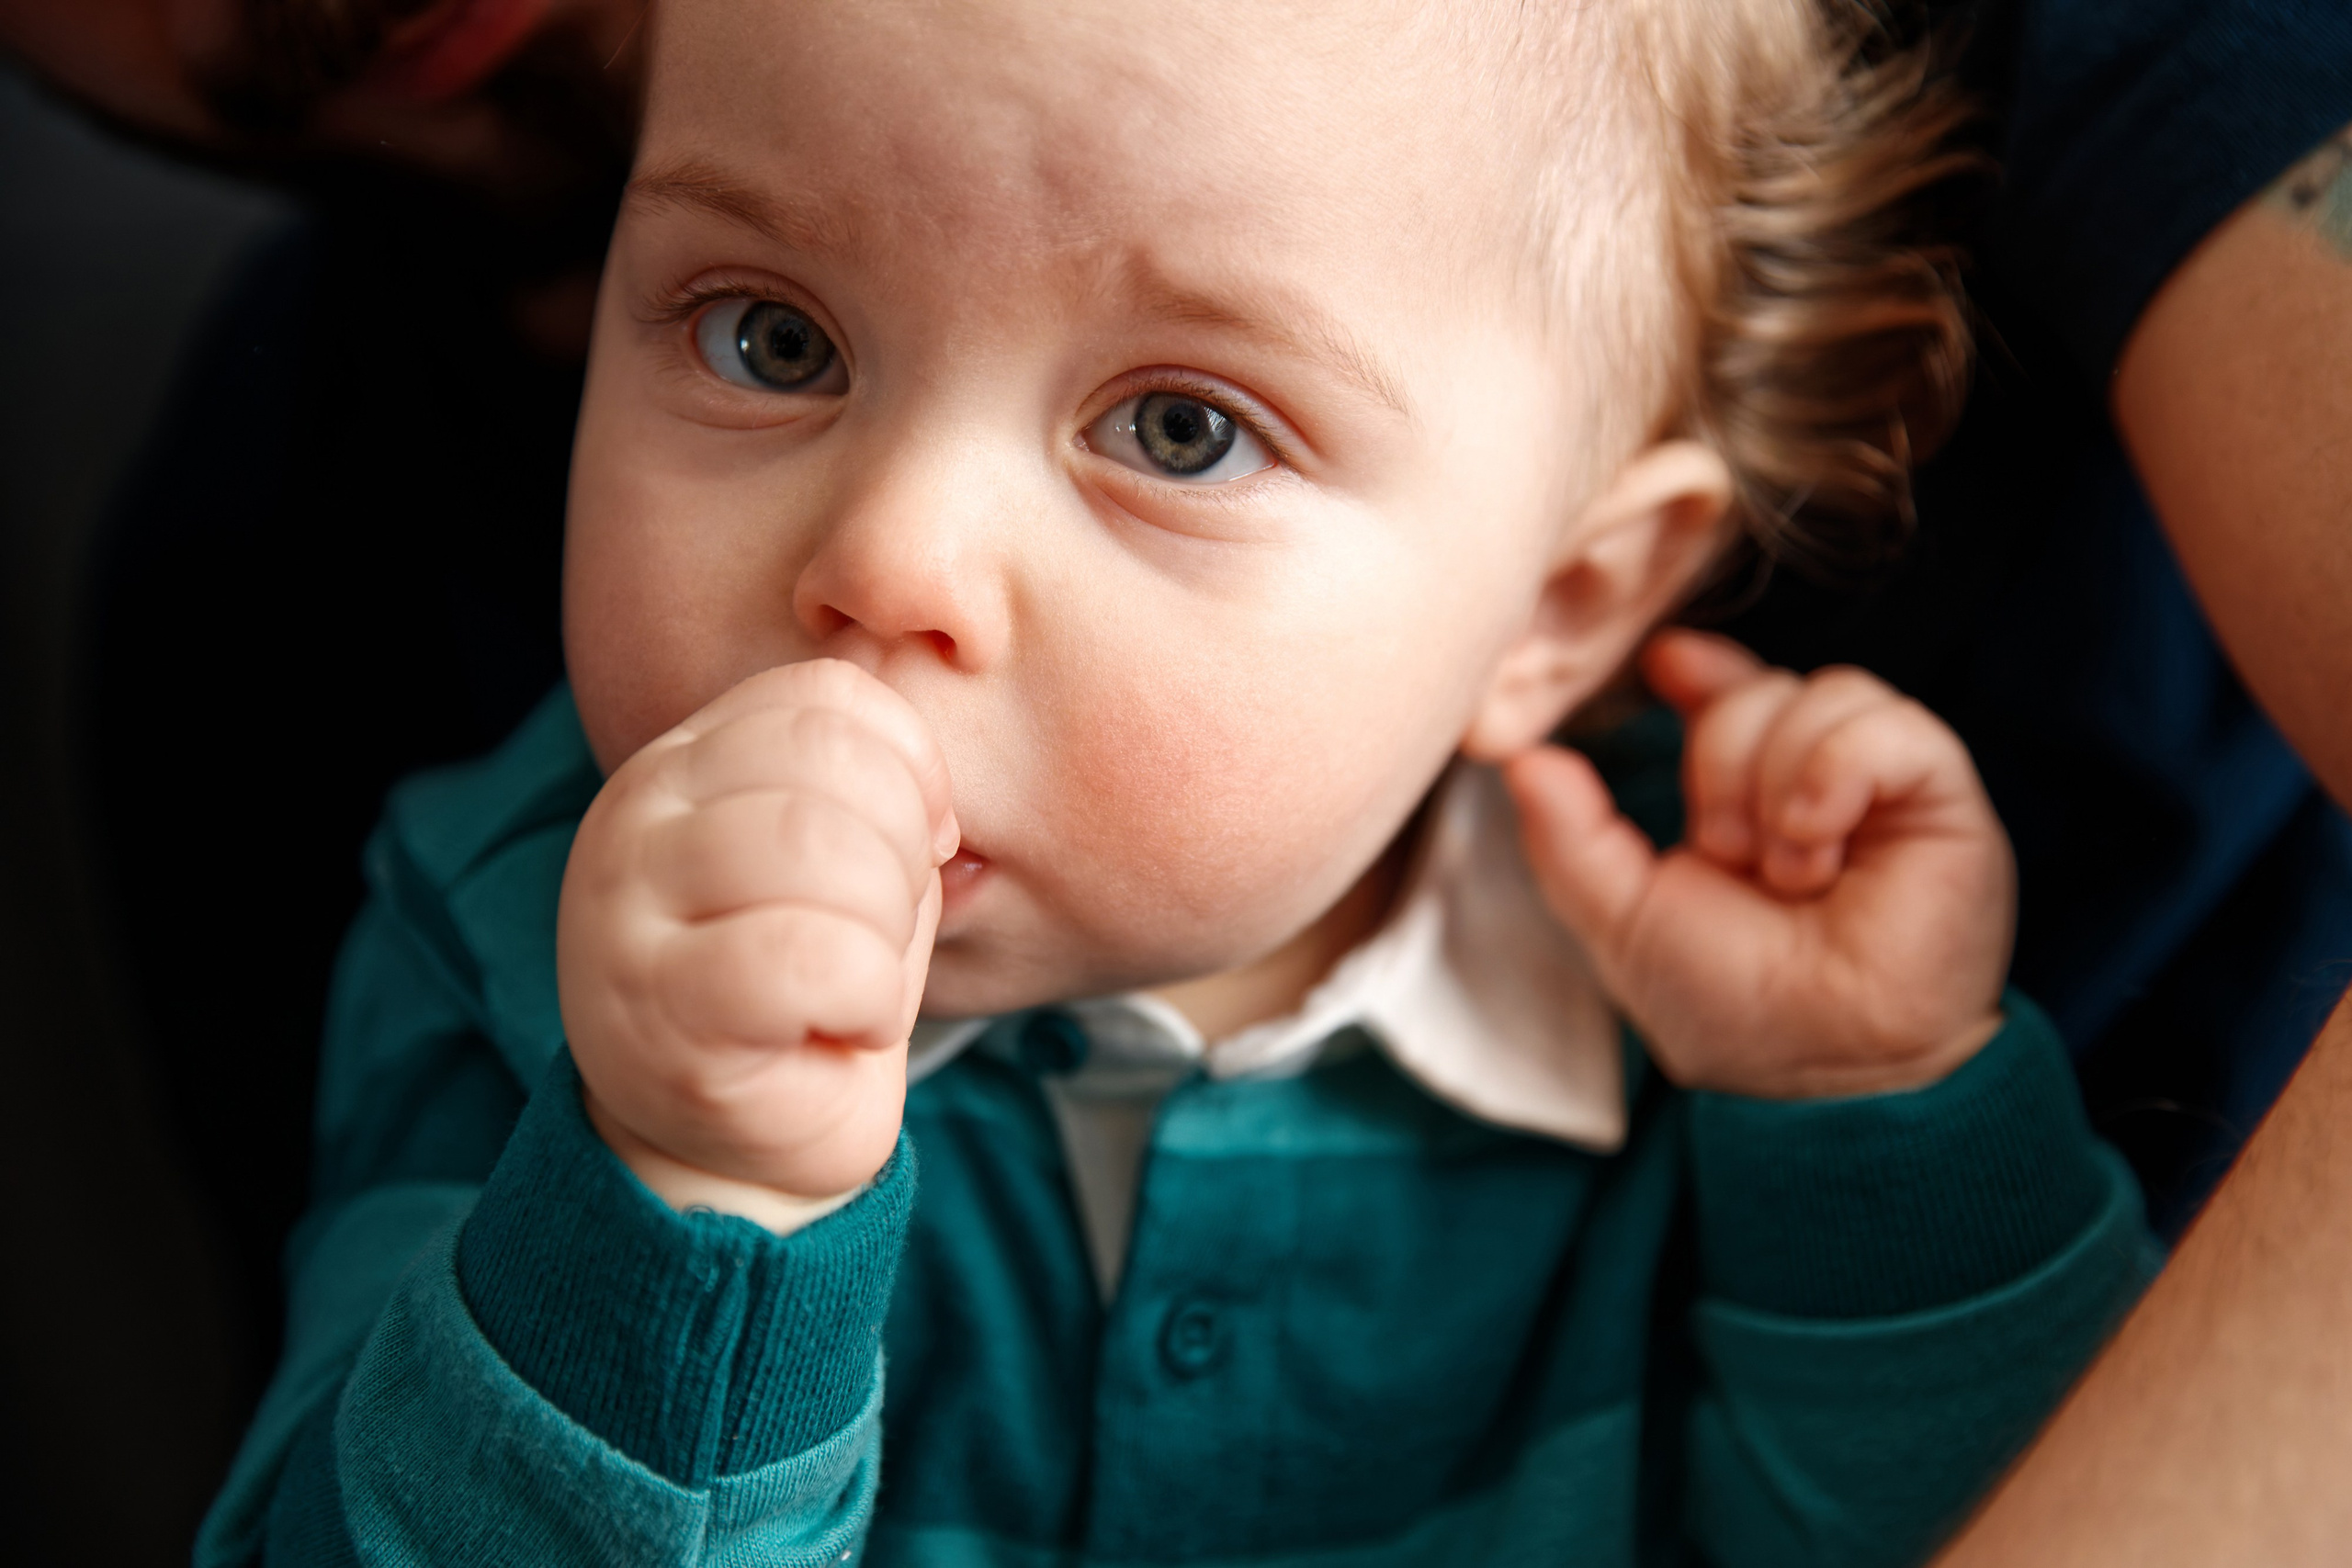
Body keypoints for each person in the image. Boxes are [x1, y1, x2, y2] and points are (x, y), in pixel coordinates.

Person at [192, 3, 2154, 1564]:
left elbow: (2075, 1516)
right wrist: (684, 1196)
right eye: (771, 337)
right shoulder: (516, 940)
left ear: (1555, 607)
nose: (886, 555)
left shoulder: (1695, 1017)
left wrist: (1870, 1126)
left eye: (1181, 431)